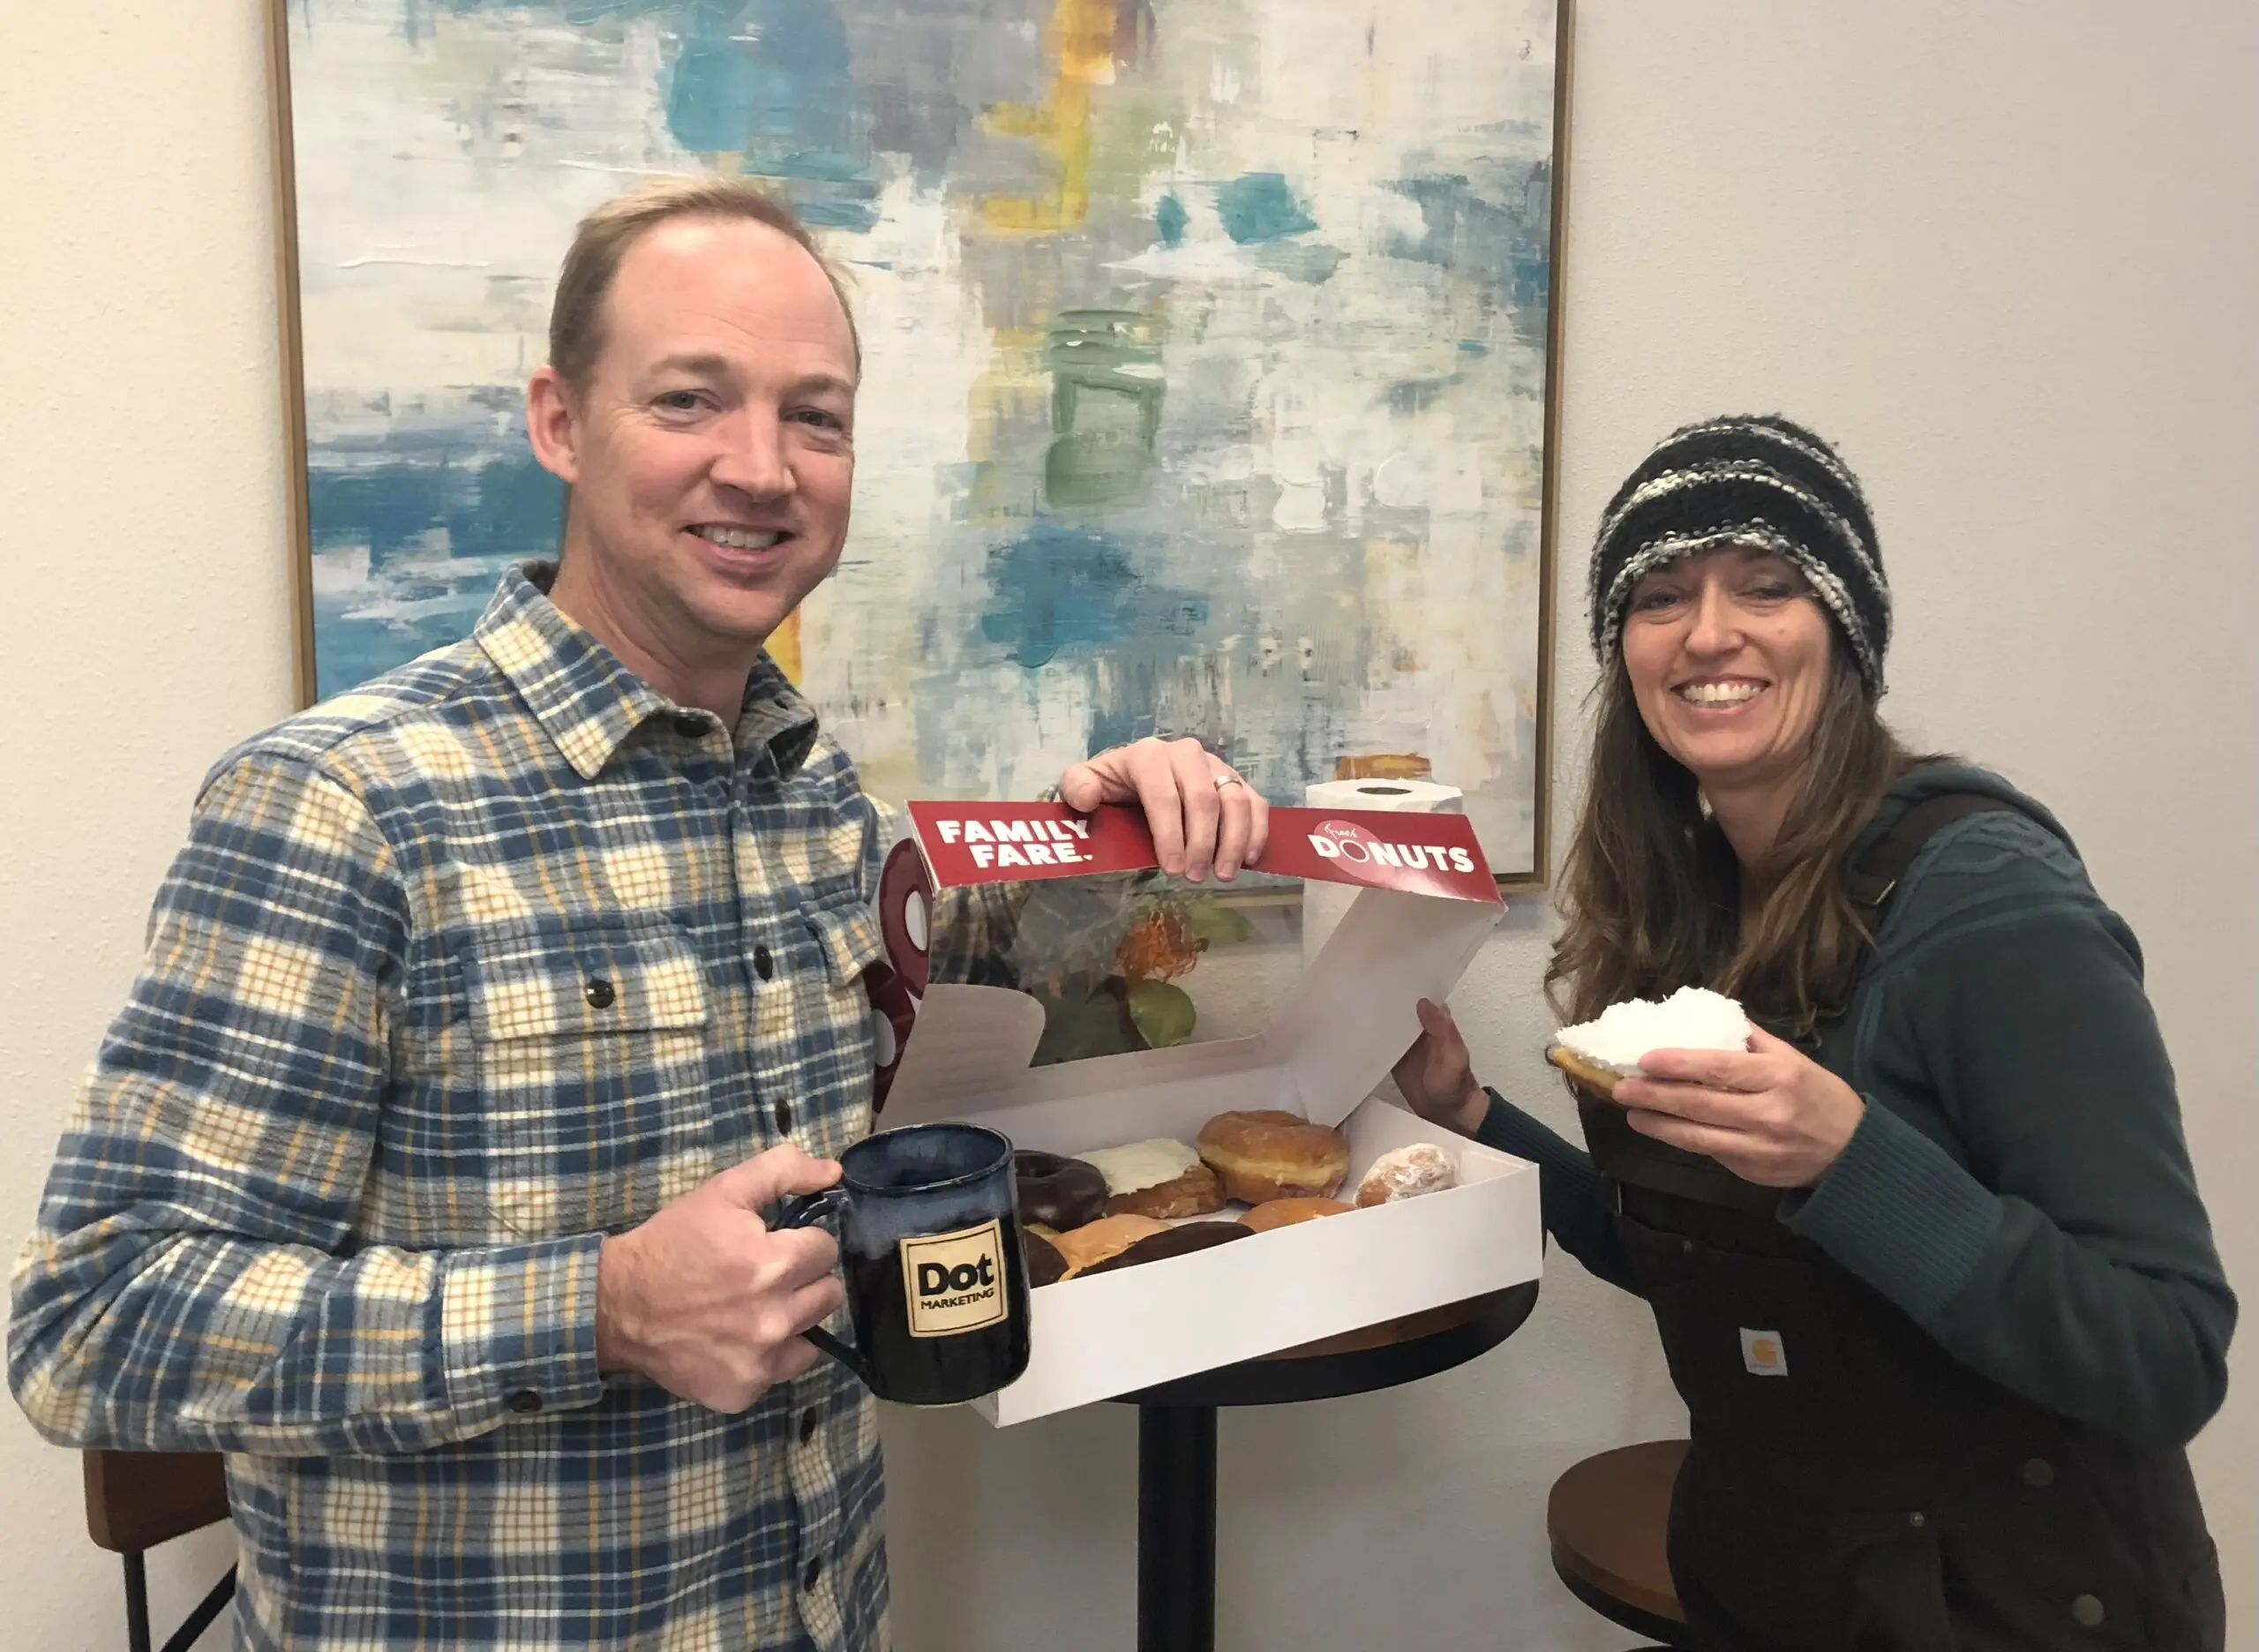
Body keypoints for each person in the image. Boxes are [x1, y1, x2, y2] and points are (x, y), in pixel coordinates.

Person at [7, 178, 1266, 1652]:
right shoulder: (344, 805)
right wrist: (600, 1308)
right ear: (559, 422)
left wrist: (1092, 841)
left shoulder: (815, 797)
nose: (763, 468)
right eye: (689, 400)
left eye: (817, 417)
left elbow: (930, 1099)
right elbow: (92, 1318)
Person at [1393, 415, 2232, 1648]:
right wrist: (1475, 1119)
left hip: (2019, 1606)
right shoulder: (1685, 908)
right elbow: (1684, 1257)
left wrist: (1855, 1161)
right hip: (1774, 1582)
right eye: (1661, 595)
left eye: (1768, 586)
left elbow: (2169, 1353)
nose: (1709, 632)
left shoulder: (1993, 905)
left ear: (1846, 631)